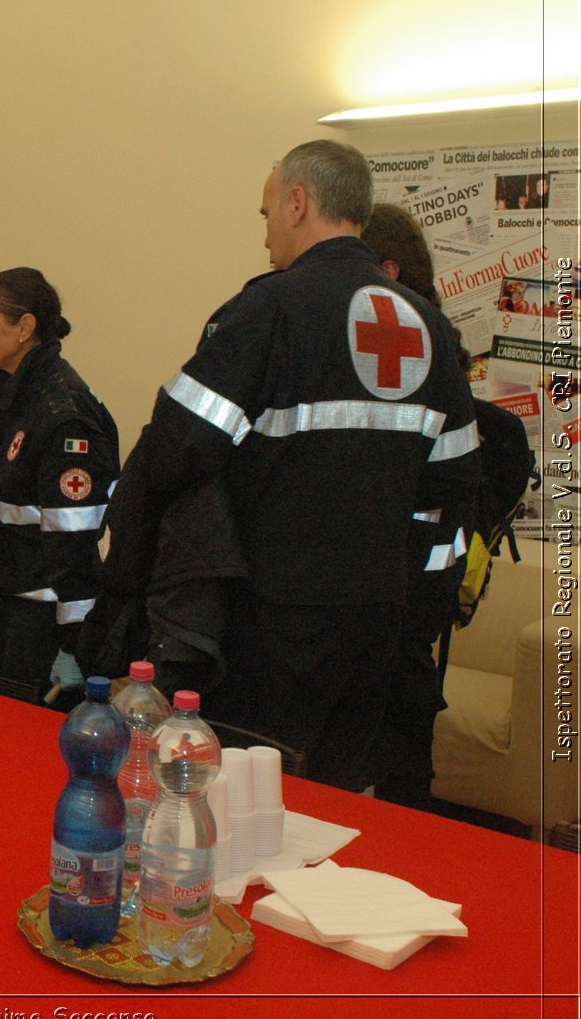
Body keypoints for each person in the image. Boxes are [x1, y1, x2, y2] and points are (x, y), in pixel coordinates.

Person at [99, 141, 480, 791]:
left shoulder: (270, 309)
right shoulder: (429, 327)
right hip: (378, 623)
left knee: (256, 795)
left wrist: (123, 572)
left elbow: (173, 450)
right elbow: (454, 486)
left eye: (268, 211)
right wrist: (411, 602)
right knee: (342, 799)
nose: (267, 231)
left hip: (273, 622)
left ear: (299, 203)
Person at [363, 203, 536, 808]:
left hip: (403, 598)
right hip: (412, 599)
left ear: (387, 271)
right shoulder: (433, 351)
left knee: (396, 744)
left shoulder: (417, 357)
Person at [0, 268, 118, 706]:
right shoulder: (15, 394)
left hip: (46, 619)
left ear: (24, 328)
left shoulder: (62, 414)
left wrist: (75, 642)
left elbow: (76, 540)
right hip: (15, 600)